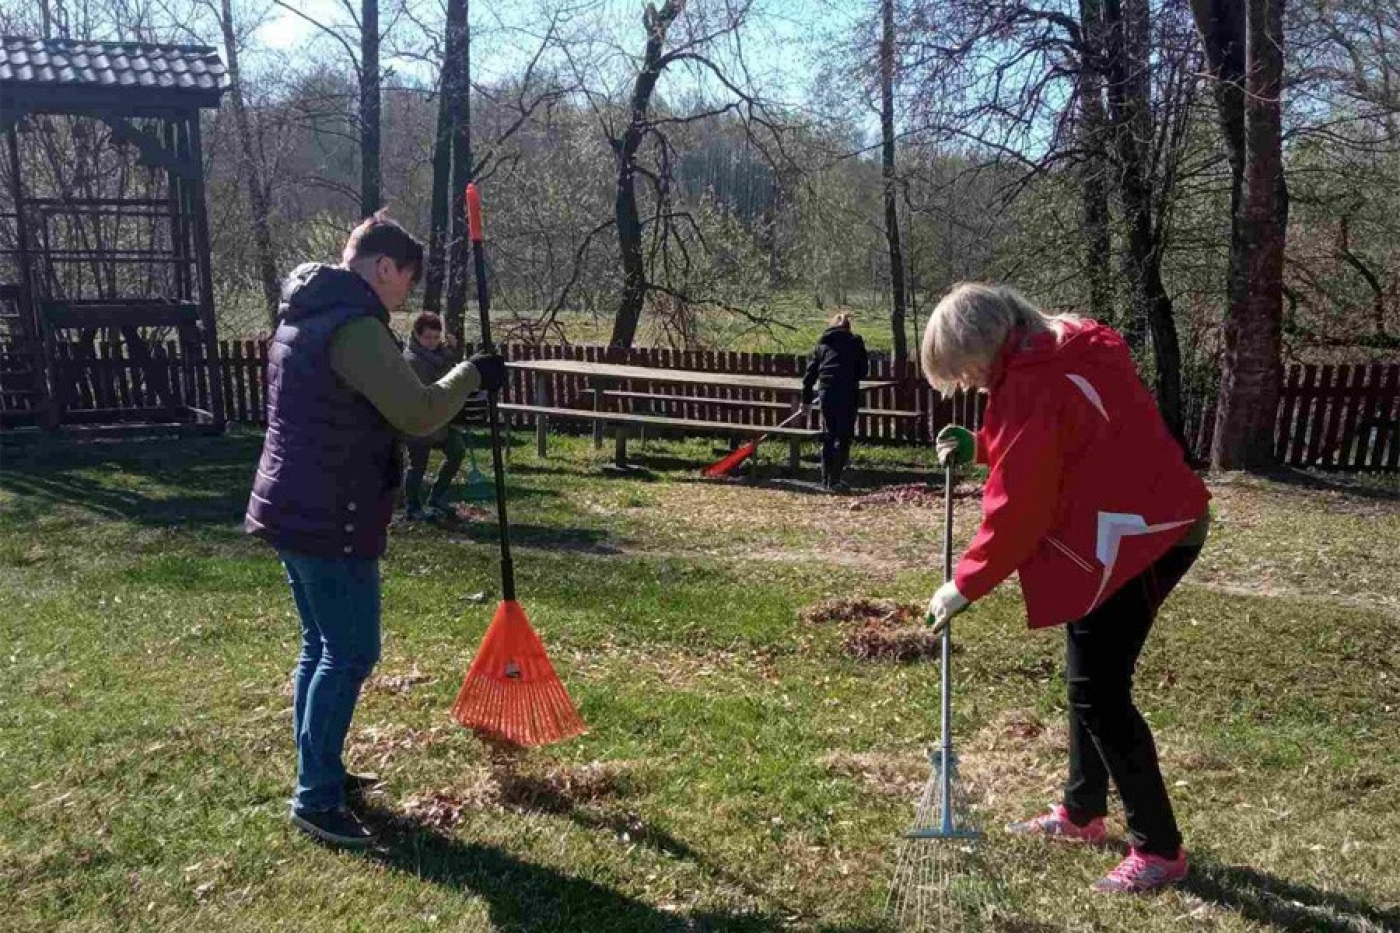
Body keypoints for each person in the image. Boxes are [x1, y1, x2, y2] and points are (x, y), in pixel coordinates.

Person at [922, 282, 1210, 894]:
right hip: (1138, 523)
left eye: (966, 372)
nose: (969, 386)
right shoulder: (1060, 345)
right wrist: (984, 445)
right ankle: (1082, 813)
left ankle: (1159, 849)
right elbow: (1057, 437)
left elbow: (1020, 508)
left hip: (1144, 537)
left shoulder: (1032, 380)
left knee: (1100, 692)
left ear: (987, 346)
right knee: (1087, 680)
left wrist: (964, 585)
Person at [244, 211, 506, 848]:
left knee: (320, 647)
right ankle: (316, 799)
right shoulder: (353, 326)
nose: (401, 299)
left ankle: (321, 771)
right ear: (384, 266)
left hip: (290, 504)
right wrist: (473, 374)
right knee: (350, 652)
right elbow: (417, 414)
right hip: (330, 512)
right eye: (403, 283)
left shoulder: (302, 312)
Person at [401, 311, 469, 519]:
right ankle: (413, 508)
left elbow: (451, 374)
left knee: (456, 450)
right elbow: (434, 387)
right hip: (418, 420)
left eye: (435, 337)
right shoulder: (412, 360)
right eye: (427, 338)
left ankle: (437, 498)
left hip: (441, 419)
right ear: (417, 336)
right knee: (418, 464)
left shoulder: (441, 355)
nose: (431, 342)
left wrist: (454, 351)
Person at [801, 313, 868, 491]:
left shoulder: (822, 344)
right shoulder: (855, 342)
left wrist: (806, 400)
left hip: (826, 391)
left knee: (830, 434)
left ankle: (825, 479)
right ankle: (836, 479)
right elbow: (863, 372)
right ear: (849, 327)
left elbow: (809, 375)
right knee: (843, 435)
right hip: (847, 390)